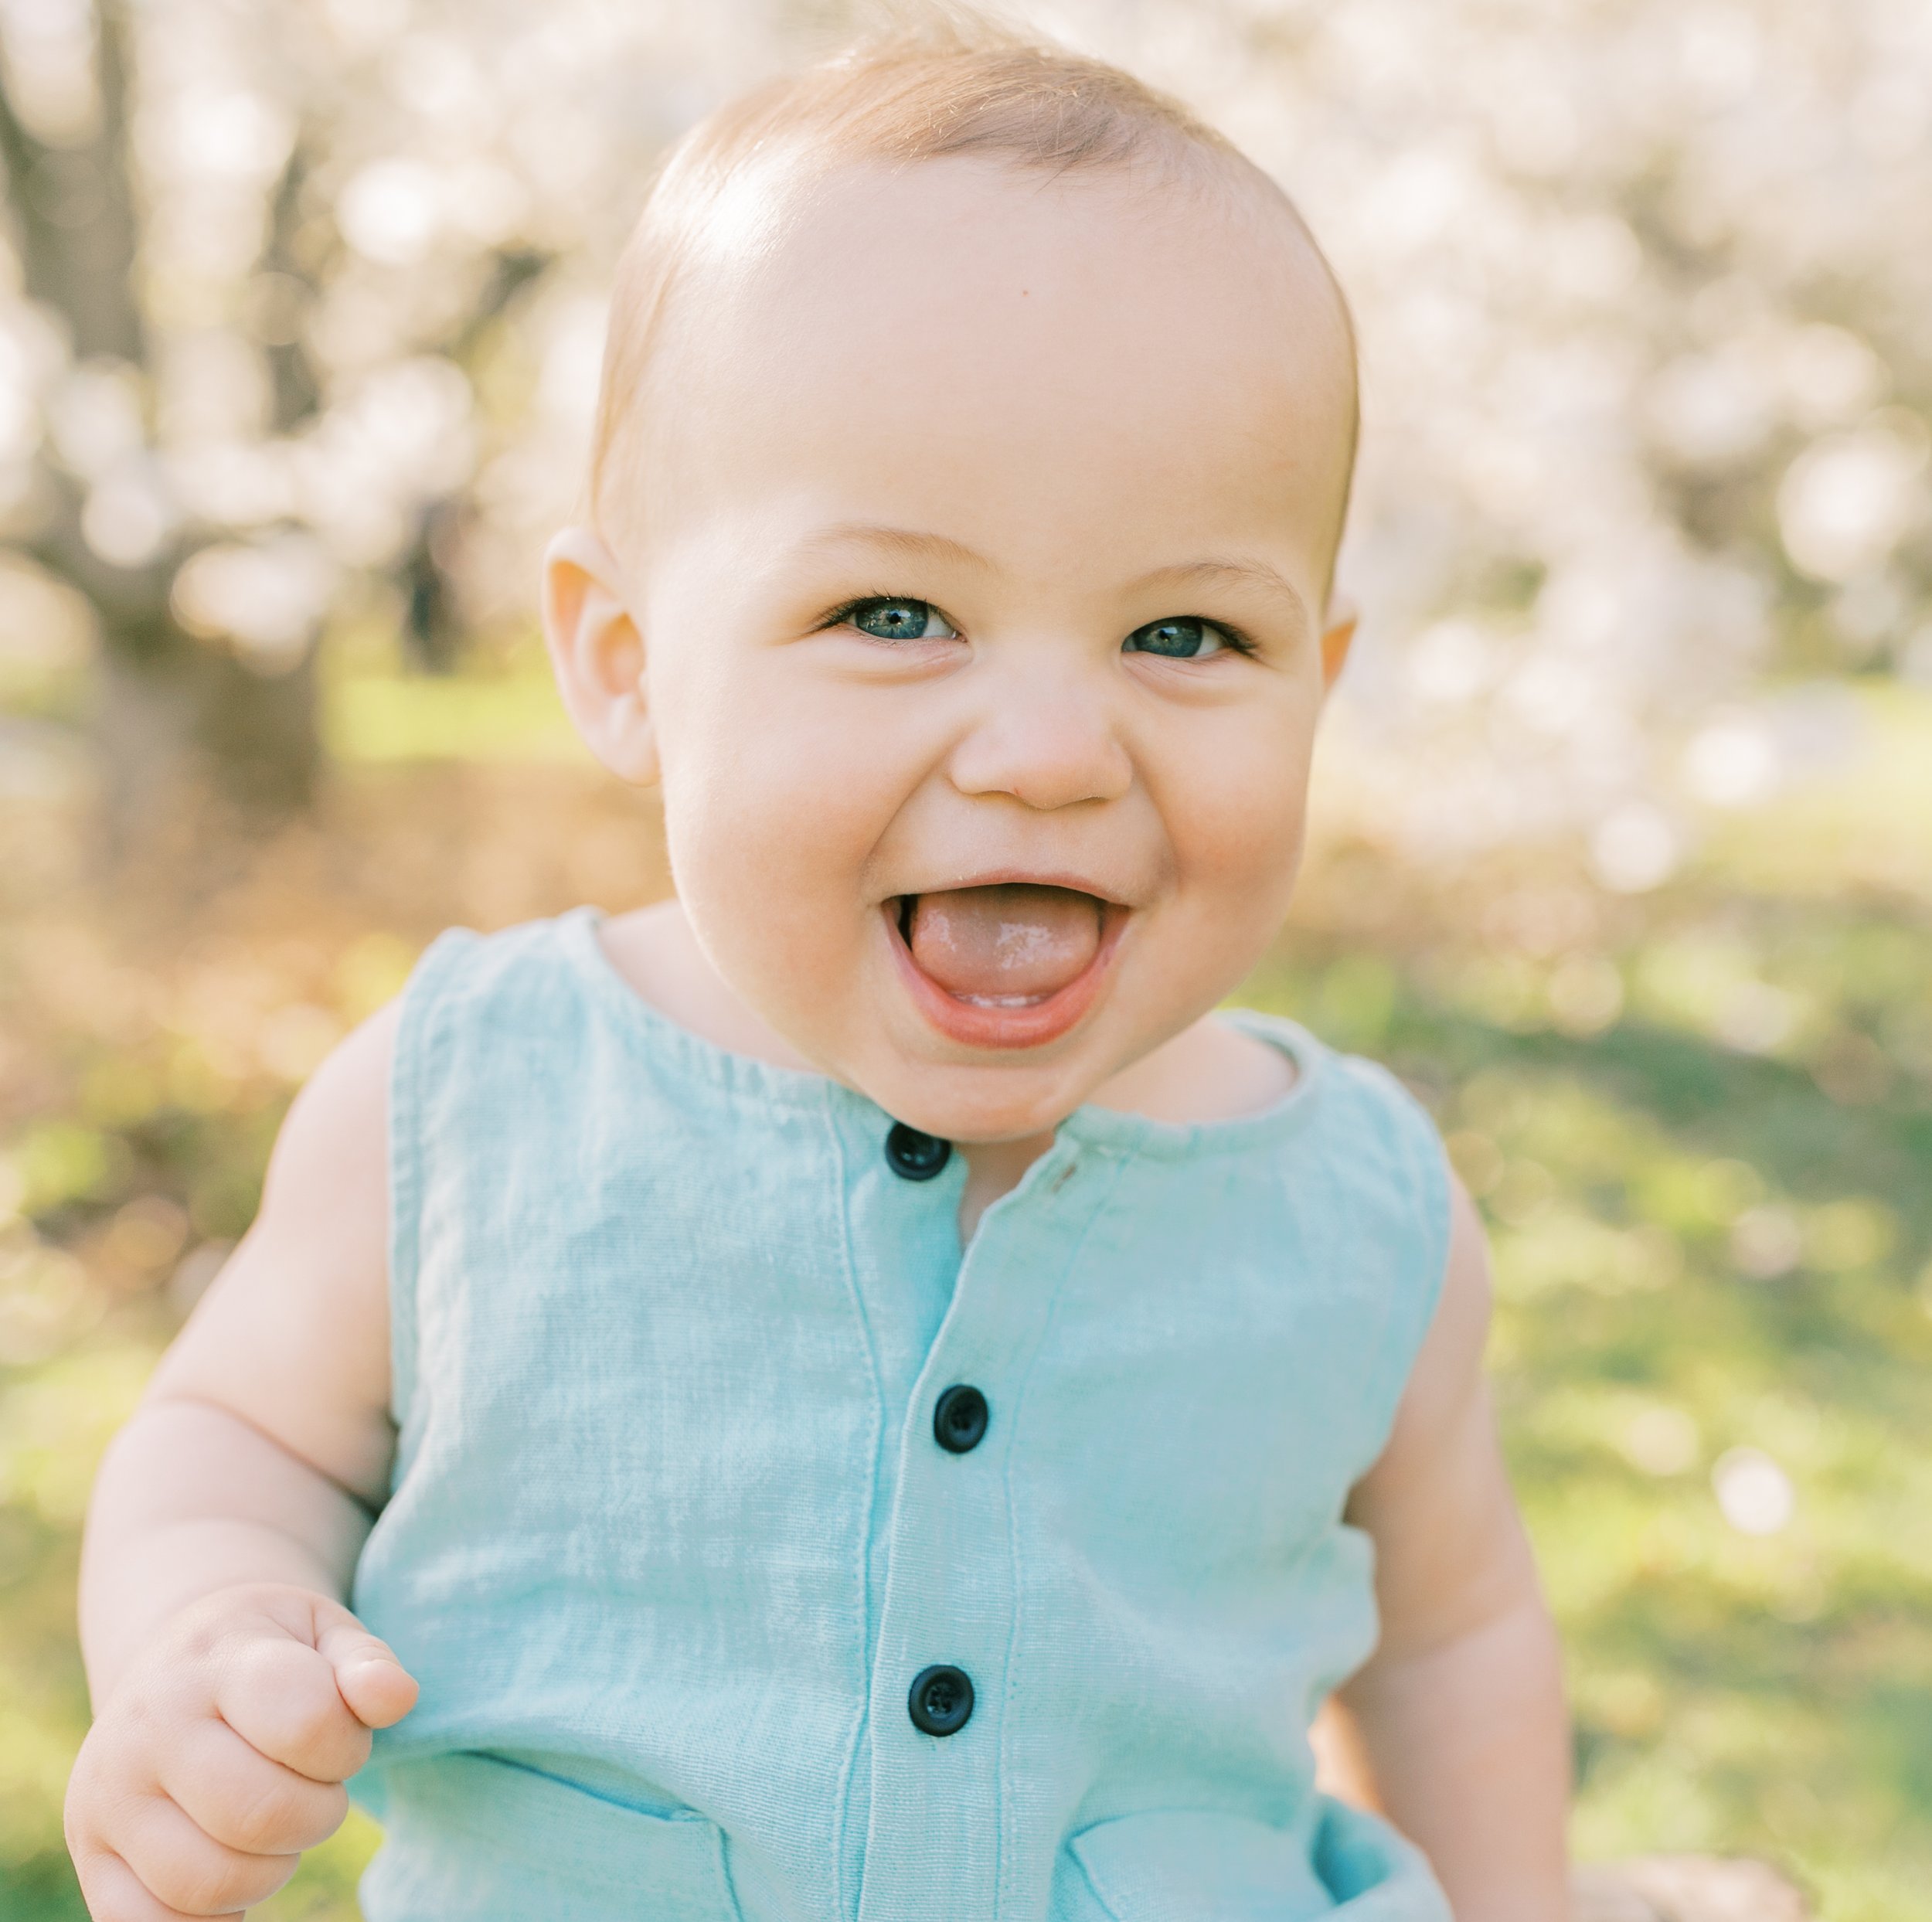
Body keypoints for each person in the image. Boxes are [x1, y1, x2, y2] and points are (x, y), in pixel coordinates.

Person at [63, 24, 1571, 1922]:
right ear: (621, 660)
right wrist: (209, 1629)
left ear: (1317, 687)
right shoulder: (469, 1098)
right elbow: (237, 1436)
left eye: (1182, 630)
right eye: (891, 612)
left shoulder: (1354, 1209)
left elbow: (1445, 1640)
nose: (1046, 746)